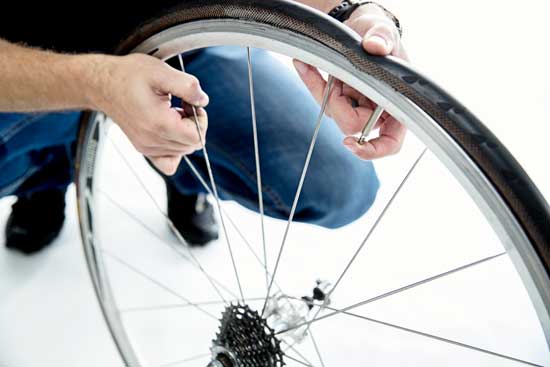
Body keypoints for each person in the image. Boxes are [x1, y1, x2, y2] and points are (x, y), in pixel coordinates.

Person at [0, 1, 407, 254]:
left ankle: (186, 166)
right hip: (31, 66)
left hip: (181, 44)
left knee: (339, 182)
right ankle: (45, 176)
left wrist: (350, 14)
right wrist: (98, 82)